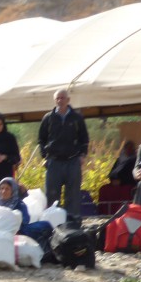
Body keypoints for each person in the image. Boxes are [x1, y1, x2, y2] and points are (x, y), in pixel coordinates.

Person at [38, 88, 89, 227]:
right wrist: (45, 157)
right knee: (52, 195)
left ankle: (73, 224)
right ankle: (52, 225)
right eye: (57, 98)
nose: (60, 100)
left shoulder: (77, 117)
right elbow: (41, 140)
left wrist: (82, 155)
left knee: (72, 195)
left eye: (62, 98)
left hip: (73, 160)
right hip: (54, 161)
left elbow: (84, 138)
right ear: (55, 100)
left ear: (68, 100)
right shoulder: (48, 118)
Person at [0, 177, 50, 243]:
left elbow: (25, 221)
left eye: (7, 189)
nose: (3, 191)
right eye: (2, 188)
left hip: (14, 231)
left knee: (45, 225)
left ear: (13, 191)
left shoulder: (19, 204)